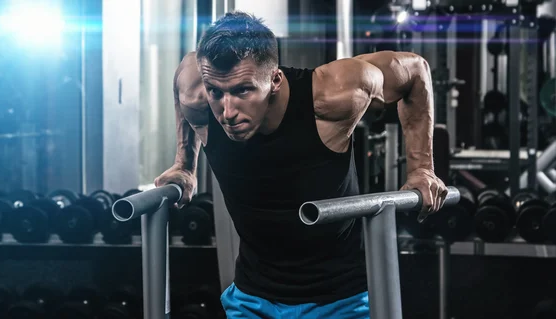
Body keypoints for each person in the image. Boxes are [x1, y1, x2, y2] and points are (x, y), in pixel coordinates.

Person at [155, 11, 448, 319]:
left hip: (340, 301)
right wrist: (184, 165)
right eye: (216, 91)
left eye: (243, 90)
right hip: (251, 299)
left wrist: (421, 168)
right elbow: (183, 81)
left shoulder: (333, 94)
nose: (227, 112)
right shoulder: (197, 87)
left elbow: (415, 71)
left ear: (275, 80)